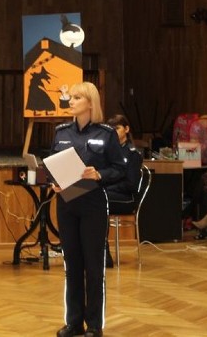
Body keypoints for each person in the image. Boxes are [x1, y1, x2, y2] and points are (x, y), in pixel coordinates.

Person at [52, 82, 126, 337]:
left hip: (93, 204)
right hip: (66, 204)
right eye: (70, 98)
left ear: (90, 103)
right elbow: (53, 163)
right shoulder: (61, 132)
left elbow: (120, 170)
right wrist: (54, 183)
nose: (71, 101)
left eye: (77, 98)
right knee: (72, 265)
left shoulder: (107, 134)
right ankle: (73, 322)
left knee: (93, 267)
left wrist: (99, 174)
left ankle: (94, 325)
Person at [103, 114, 143, 268]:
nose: (113, 132)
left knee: (99, 200)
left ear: (126, 129)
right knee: (88, 198)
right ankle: (90, 249)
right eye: (111, 129)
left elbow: (131, 184)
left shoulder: (132, 154)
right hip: (109, 193)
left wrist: (106, 188)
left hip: (127, 198)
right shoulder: (107, 152)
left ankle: (104, 252)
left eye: (117, 128)